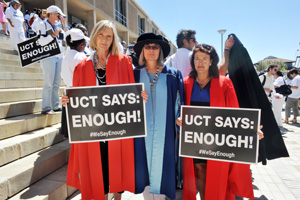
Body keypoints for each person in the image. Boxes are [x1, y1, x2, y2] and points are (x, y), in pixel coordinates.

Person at [63, 20, 138, 200]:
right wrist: (68, 100)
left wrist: (138, 96)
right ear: (94, 36)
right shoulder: (82, 66)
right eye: (101, 35)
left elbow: (131, 92)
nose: (104, 40)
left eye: (109, 36)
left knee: (118, 165)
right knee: (99, 167)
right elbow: (78, 98)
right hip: (94, 128)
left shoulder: (124, 62)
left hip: (117, 126)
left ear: (113, 40)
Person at [177, 43, 256, 200]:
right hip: (194, 138)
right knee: (199, 168)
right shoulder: (186, 83)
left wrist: (249, 131)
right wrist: (179, 119)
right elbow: (178, 107)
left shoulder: (224, 83)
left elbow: (234, 113)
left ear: (212, 61)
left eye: (205, 59)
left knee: (216, 172)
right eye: (197, 58)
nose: (200, 62)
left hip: (217, 139)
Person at [133, 33, 184, 200]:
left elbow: (179, 104)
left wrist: (179, 121)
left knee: (164, 169)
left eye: (155, 47)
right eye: (147, 47)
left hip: (165, 133)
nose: (151, 50)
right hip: (141, 133)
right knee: (143, 169)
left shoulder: (173, 75)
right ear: (142, 51)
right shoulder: (134, 74)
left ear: (160, 51)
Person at [36, 5, 66, 114]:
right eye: (59, 16)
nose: (60, 18)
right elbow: (40, 42)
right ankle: (46, 107)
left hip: (59, 56)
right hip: (48, 56)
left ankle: (55, 105)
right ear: (51, 14)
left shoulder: (58, 25)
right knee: (49, 82)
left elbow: (64, 40)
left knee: (56, 83)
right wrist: (53, 35)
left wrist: (64, 26)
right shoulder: (42, 24)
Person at [60, 28, 87, 138]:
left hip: (68, 92)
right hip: (79, 94)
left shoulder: (65, 57)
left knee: (72, 132)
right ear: (81, 45)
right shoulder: (81, 57)